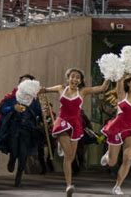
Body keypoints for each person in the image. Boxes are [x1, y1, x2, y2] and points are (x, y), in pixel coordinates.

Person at [42, 68, 109, 196]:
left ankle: (68, 182)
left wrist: (111, 73)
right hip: (62, 122)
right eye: (73, 76)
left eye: (78, 77)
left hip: (76, 124)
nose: (75, 79)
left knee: (71, 157)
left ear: (80, 81)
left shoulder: (83, 91)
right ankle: (68, 185)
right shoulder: (61, 88)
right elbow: (44, 89)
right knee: (68, 154)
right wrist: (32, 89)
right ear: (68, 78)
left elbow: (102, 88)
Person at [0, 74, 44, 187]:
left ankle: (19, 176)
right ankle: (12, 159)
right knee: (14, 151)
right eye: (23, 82)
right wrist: (13, 107)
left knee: (23, 155)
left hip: (27, 130)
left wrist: (43, 112)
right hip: (13, 129)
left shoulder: (34, 100)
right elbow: (2, 110)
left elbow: (39, 113)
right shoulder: (11, 97)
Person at [99, 73, 131, 195]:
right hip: (117, 128)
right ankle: (108, 155)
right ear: (128, 83)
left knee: (128, 158)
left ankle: (118, 186)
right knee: (112, 162)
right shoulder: (122, 95)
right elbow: (119, 81)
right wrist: (121, 71)